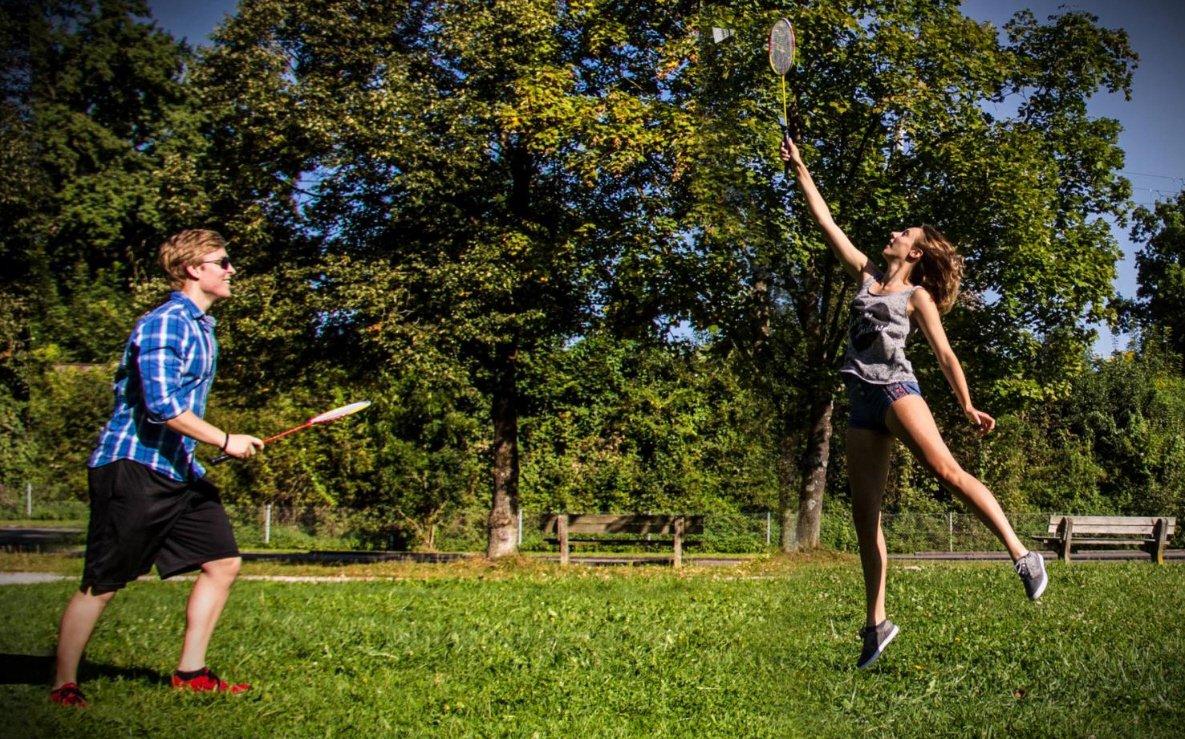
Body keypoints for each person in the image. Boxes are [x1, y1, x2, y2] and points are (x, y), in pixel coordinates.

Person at [779, 136, 1047, 670]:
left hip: (897, 391)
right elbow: (827, 223)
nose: (894, 234)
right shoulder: (866, 276)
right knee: (863, 516)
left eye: (904, 233)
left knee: (944, 468)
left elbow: (945, 356)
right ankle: (877, 624)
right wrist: (802, 170)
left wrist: (967, 405)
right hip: (860, 404)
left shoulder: (916, 297)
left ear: (915, 253)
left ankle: (1023, 555)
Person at [50, 229, 264, 707]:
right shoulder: (167, 323)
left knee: (223, 563)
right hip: (133, 467)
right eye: (222, 262)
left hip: (178, 469)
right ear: (194, 269)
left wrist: (212, 444)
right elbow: (163, 407)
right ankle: (64, 683)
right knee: (102, 582)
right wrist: (225, 440)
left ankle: (191, 673)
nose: (231, 270)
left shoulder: (202, 327)